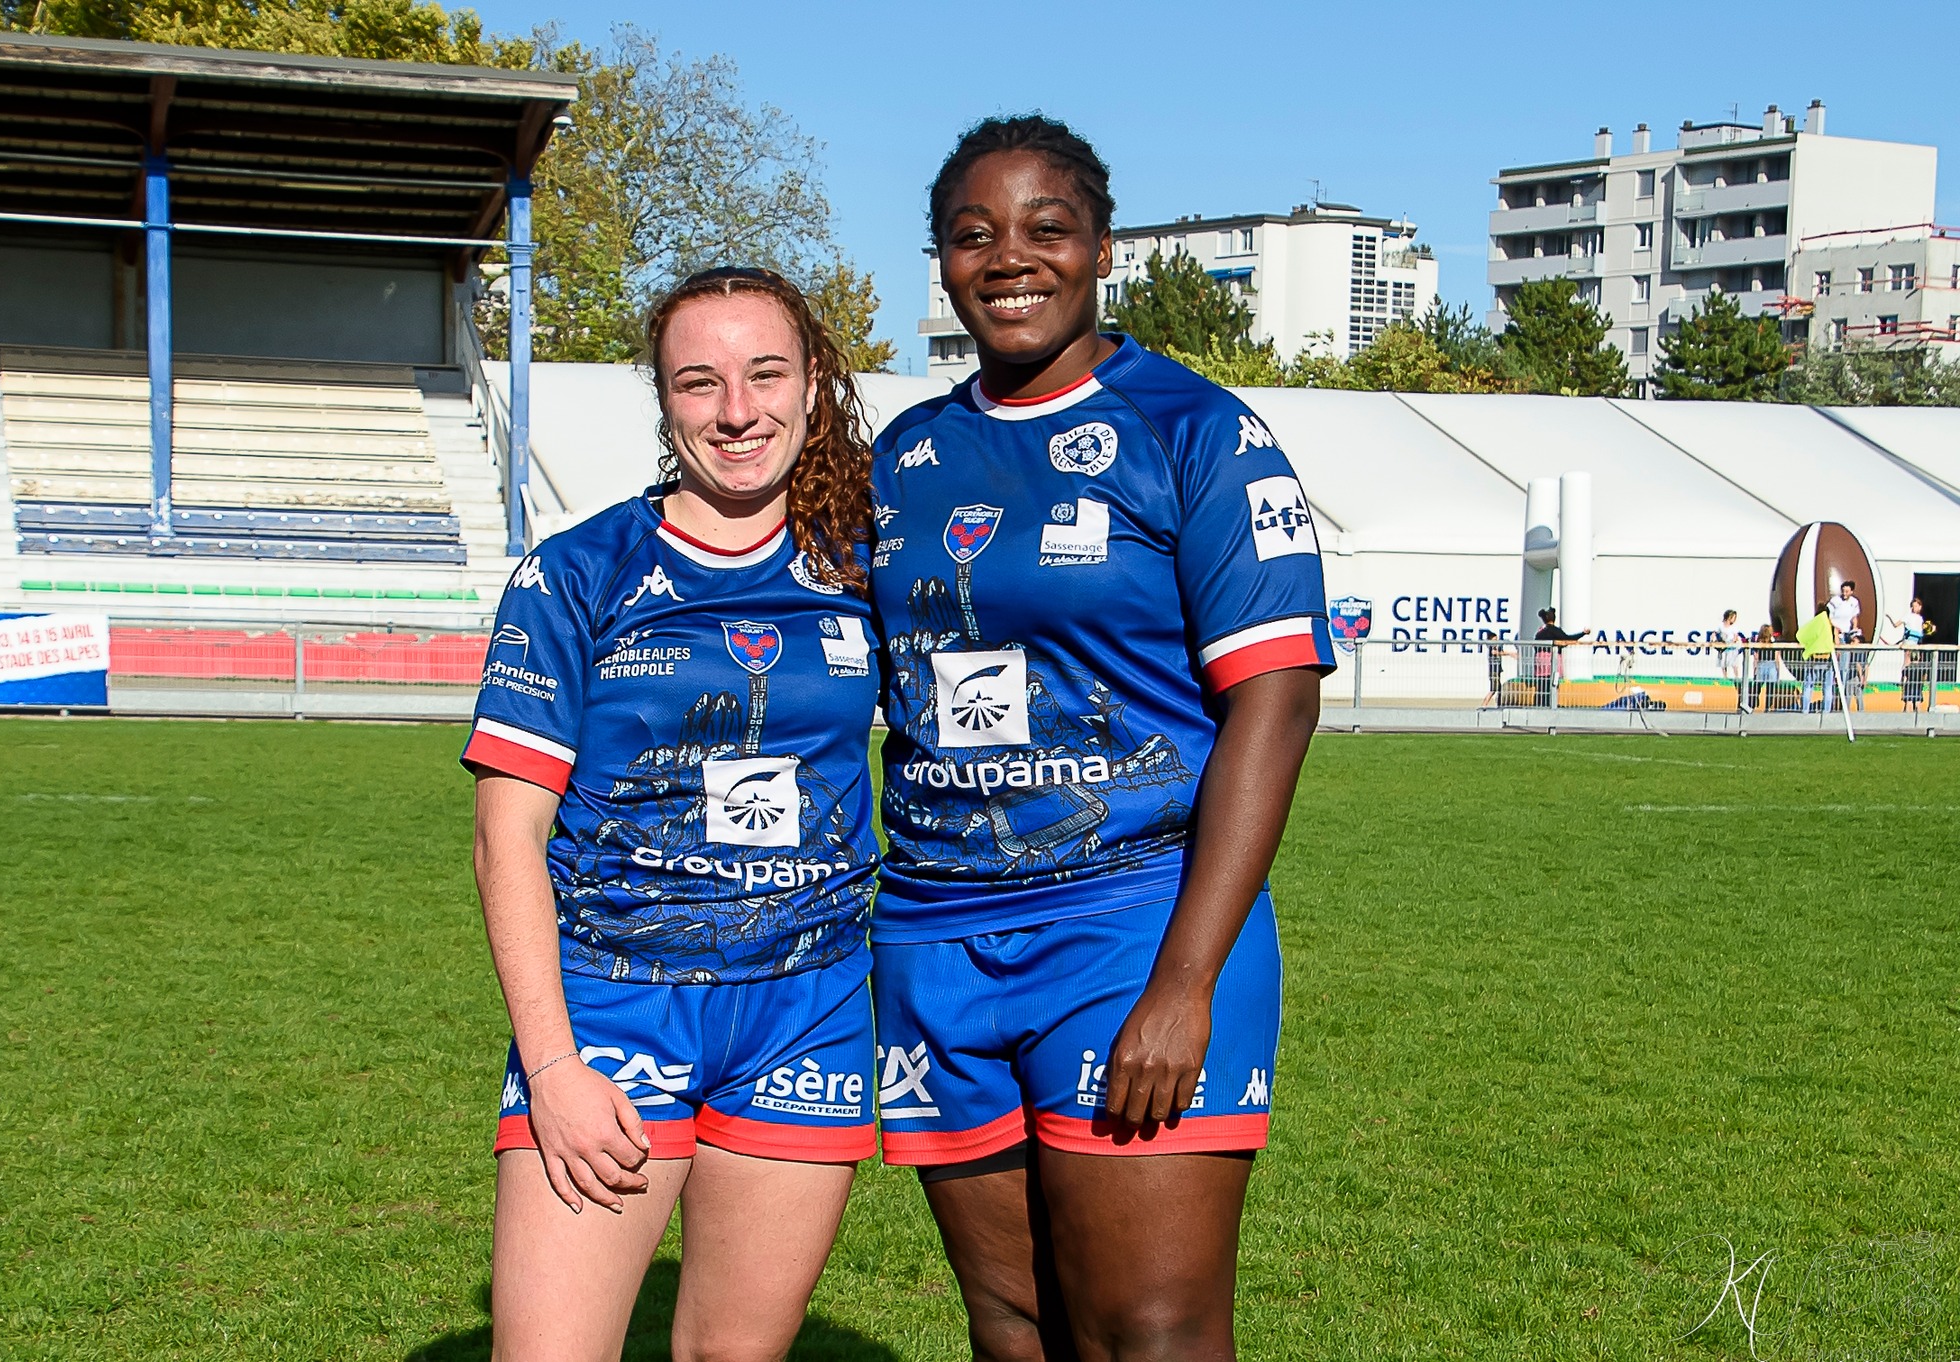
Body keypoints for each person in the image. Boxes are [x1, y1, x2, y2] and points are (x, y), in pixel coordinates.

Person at [865, 115, 1333, 1362]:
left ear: (1101, 249)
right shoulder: (904, 456)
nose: (1007, 258)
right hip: (932, 937)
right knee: (1014, 1325)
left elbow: (1276, 702)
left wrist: (1181, 989)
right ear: (941, 262)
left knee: (1149, 1332)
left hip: (1127, 926)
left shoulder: (1197, 434)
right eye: (972, 235)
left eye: (1043, 229)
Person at [463, 267, 881, 1362]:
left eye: (764, 375)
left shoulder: (864, 563)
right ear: (663, 403)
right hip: (613, 1012)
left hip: (806, 1007)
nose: (736, 411)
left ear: (813, 384)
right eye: (699, 384)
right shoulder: (575, 573)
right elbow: (506, 833)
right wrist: (551, 1065)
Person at [1530, 607, 1586, 706]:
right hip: (1551, 661)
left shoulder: (1540, 632)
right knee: (1552, 684)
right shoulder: (1555, 631)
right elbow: (1568, 639)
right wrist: (1583, 633)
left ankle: (1540, 704)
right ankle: (1551, 704)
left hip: (1540, 662)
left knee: (1541, 685)